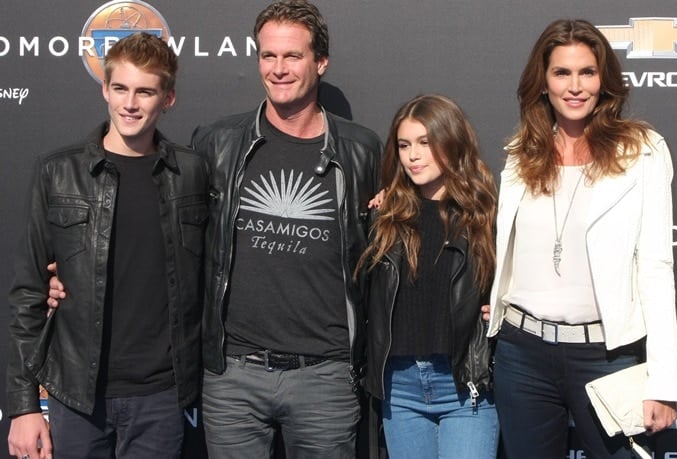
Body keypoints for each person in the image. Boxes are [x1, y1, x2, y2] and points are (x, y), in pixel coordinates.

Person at [486, 19, 677, 458]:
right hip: (522, 357)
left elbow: (656, 269)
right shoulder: (521, 154)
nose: (575, 86)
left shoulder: (642, 151)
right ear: (542, 83)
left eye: (588, 72)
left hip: (607, 355)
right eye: (562, 73)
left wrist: (664, 379)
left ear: (605, 81)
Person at [189, 1, 382, 457]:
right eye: (268, 56)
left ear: (320, 62)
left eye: (292, 56)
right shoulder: (216, 143)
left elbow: (396, 246)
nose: (278, 69)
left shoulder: (361, 151)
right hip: (233, 376)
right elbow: (173, 236)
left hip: (326, 376)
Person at [6, 32, 207, 459]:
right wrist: (23, 405)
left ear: (168, 98)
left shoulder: (192, 173)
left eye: (145, 91)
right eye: (120, 88)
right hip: (77, 398)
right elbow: (28, 294)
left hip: (162, 397)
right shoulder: (58, 172)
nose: (130, 103)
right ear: (104, 89)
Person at [357, 94, 499, 459]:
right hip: (399, 388)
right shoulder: (383, 217)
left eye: (425, 142)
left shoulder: (486, 218)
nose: (413, 156)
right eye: (404, 145)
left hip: (464, 386)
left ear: (452, 142)